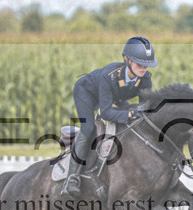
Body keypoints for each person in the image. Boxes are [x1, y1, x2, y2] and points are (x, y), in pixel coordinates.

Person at [60, 36, 157, 198]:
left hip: (114, 96)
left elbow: (145, 110)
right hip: (87, 93)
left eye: (147, 65)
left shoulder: (146, 80)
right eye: (140, 64)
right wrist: (129, 113)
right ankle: (72, 177)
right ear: (127, 61)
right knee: (88, 127)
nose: (143, 69)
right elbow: (105, 112)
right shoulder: (109, 76)